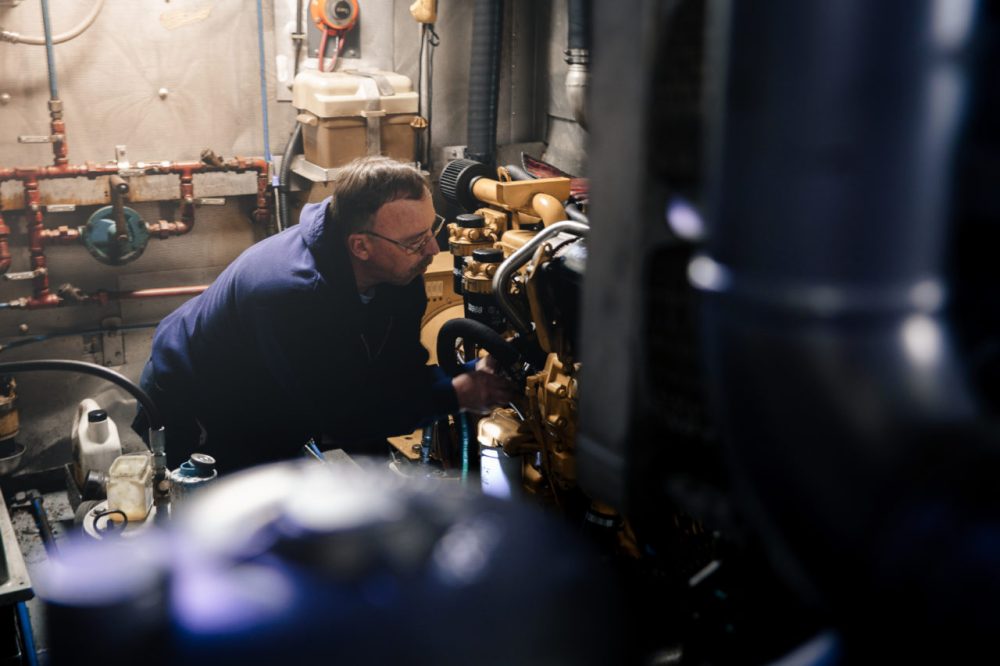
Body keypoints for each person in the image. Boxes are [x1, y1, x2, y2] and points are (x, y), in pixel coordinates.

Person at [132, 156, 515, 473]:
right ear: (360, 246)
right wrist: (455, 394)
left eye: (432, 229)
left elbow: (397, 372)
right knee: (231, 512)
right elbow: (344, 416)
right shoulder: (290, 294)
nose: (433, 249)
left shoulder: (399, 270)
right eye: (416, 241)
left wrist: (466, 374)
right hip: (199, 404)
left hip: (276, 393)